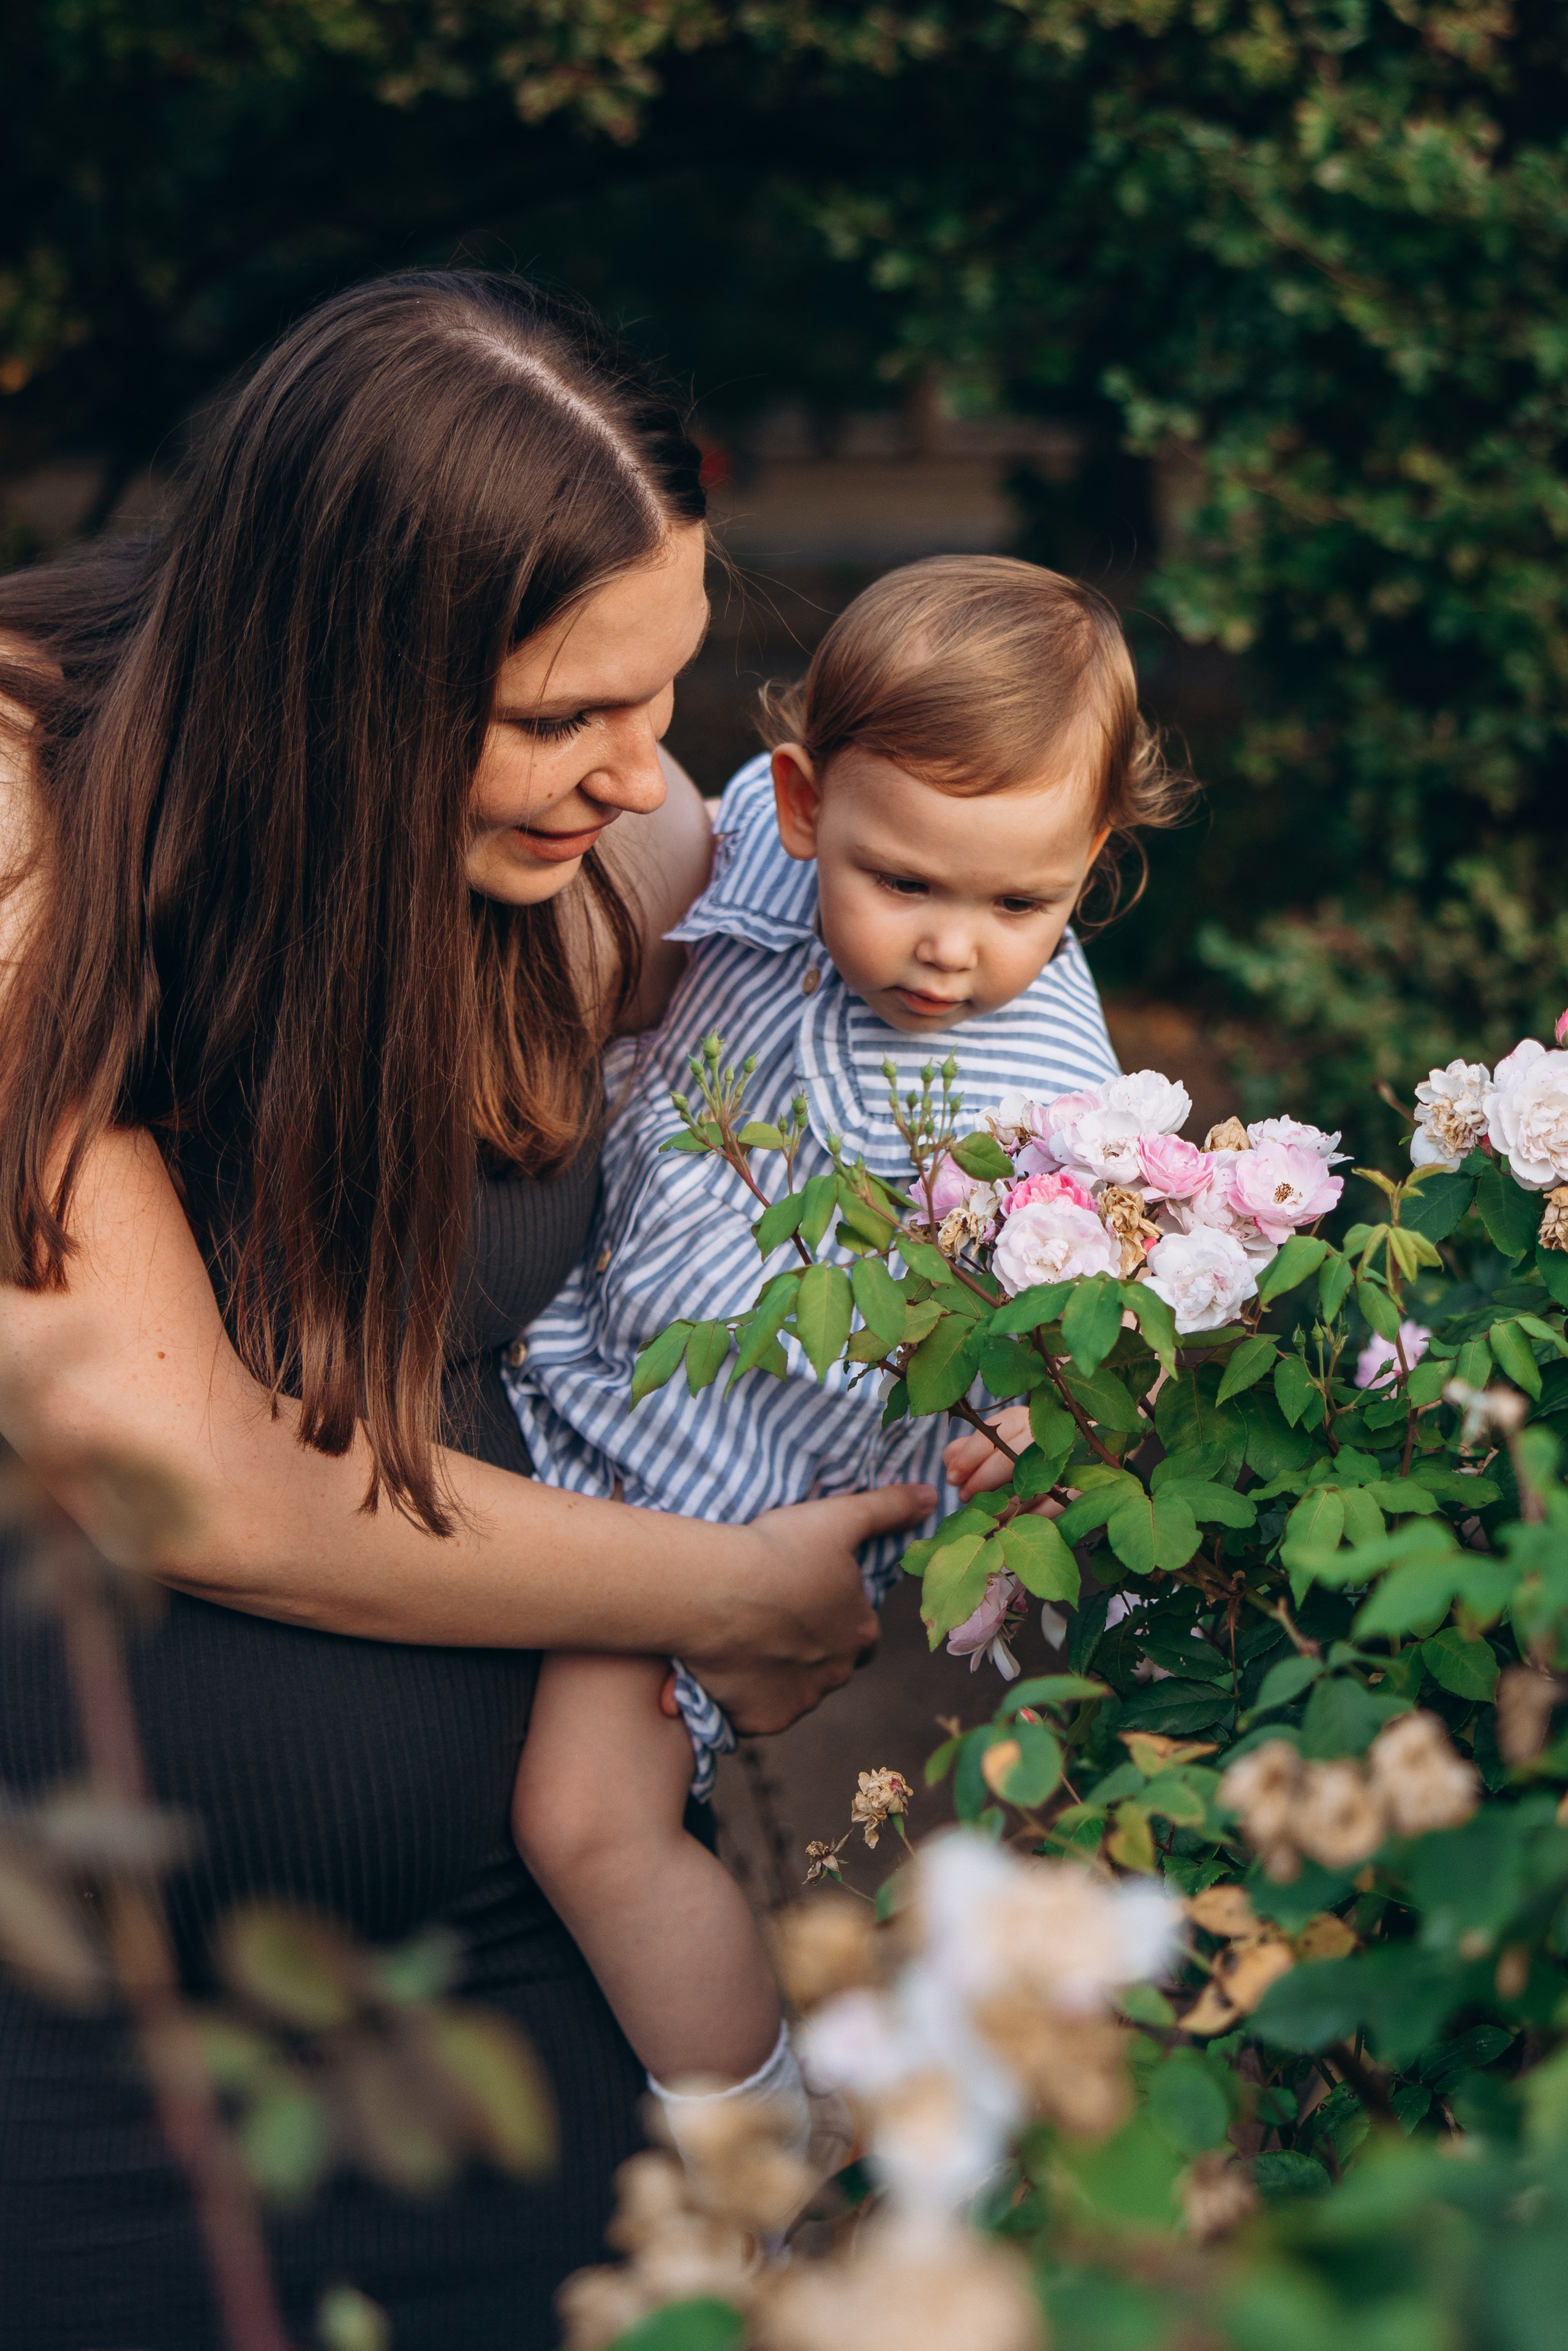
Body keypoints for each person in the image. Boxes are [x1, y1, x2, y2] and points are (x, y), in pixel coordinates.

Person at [0, 270, 935, 2351]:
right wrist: (727, 1591)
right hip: (96, 2049)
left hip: (521, 1972)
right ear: (329, 677)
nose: (642, 778)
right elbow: (188, 1477)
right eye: (557, 718)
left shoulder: (572, 838)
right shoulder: (23, 806)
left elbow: (919, 933)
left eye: (664, 689)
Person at [506, 555, 1194, 2163]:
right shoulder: (747, 818)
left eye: (1021, 902)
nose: (955, 948)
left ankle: (751, 2143)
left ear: (1093, 858)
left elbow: (1052, 1278)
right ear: (806, 804)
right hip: (584, 1355)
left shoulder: (1023, 1078)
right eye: (907, 883)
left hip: (708, 1489)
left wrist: (1022, 1412)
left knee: (581, 1817)